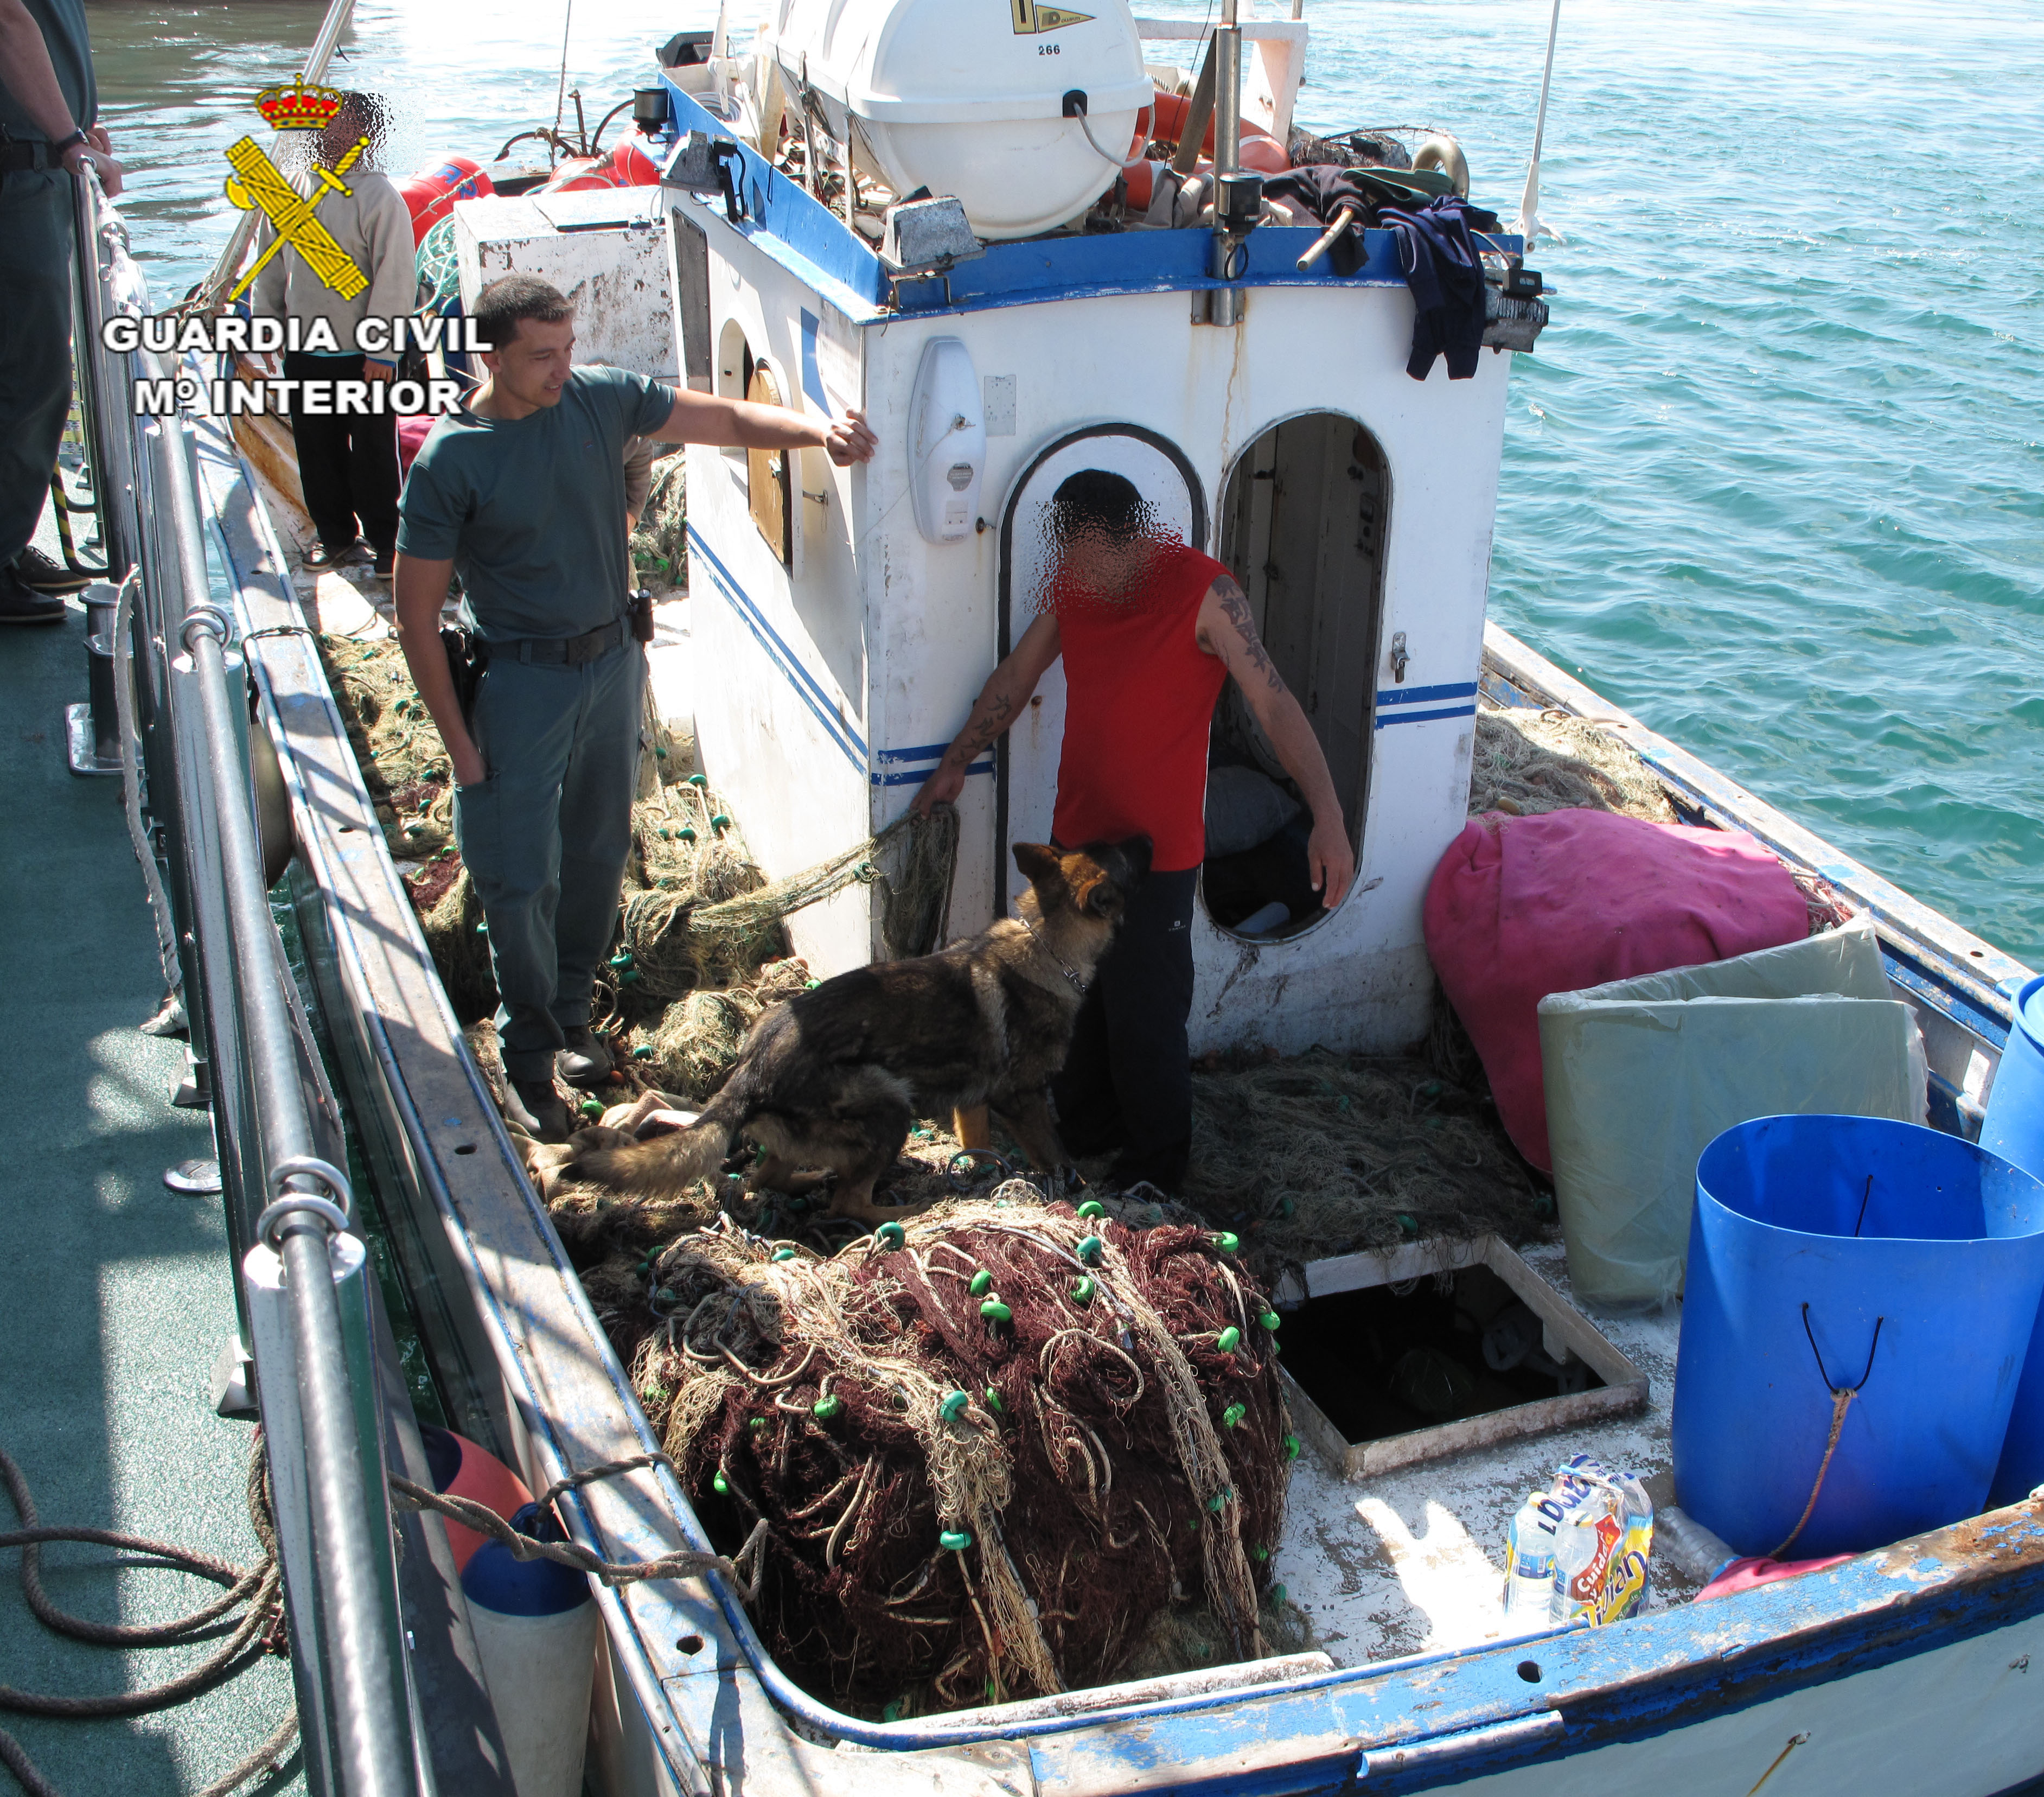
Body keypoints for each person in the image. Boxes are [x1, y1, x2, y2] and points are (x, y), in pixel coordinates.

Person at [394, 275, 876, 1141]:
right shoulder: (451, 461)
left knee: (599, 849)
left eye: (568, 347)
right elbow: (415, 615)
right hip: (522, 684)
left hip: (613, 665)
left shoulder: (601, 398)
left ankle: (573, 1015)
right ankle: (529, 1057)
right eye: (540, 355)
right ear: (490, 356)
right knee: (517, 878)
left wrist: (817, 434)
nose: (561, 367)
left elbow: (720, 420)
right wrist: (462, 749)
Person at [910, 470, 1356, 1193]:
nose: (1076, 569)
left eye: (1088, 553)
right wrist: (954, 764)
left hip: (1160, 860)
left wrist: (1329, 819)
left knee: (1146, 1023)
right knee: (1073, 1013)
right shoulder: (1076, 592)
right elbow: (1016, 680)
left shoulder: (1208, 593)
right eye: (1069, 554)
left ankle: (1158, 1176)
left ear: (1129, 538)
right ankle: (1088, 1146)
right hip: (1075, 851)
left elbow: (1274, 707)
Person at [251, 90, 415, 578]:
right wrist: (268, 328)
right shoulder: (289, 190)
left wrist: (383, 351)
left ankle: (388, 543)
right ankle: (336, 536)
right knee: (316, 450)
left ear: (366, 134)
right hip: (306, 351)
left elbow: (396, 278)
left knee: (373, 454)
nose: (331, 132)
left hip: (366, 358)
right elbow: (271, 268)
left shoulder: (379, 196)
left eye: (344, 124)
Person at [0, 0, 123, 625]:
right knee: (32, 377)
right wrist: (67, 136)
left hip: (39, 170)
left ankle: (9, 545)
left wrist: (75, 130)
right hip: (18, 177)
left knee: (34, 375)